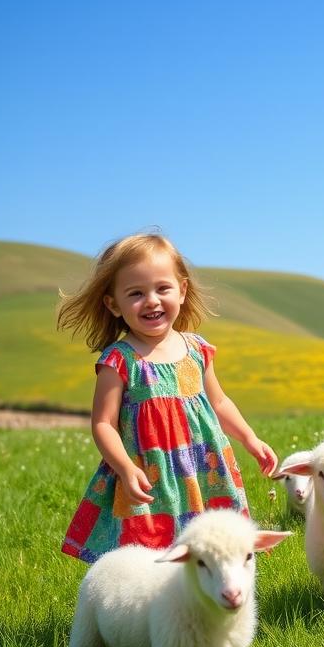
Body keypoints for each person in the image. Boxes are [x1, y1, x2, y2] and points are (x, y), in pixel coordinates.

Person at [57, 232, 278, 563]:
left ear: (182, 289)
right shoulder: (120, 360)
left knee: (212, 545)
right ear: (113, 304)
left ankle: (213, 602)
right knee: (150, 554)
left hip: (205, 469)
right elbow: (103, 423)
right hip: (150, 472)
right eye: (136, 293)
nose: (152, 300)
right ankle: (146, 611)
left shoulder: (197, 349)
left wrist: (249, 437)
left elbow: (218, 402)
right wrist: (125, 468)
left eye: (163, 288)